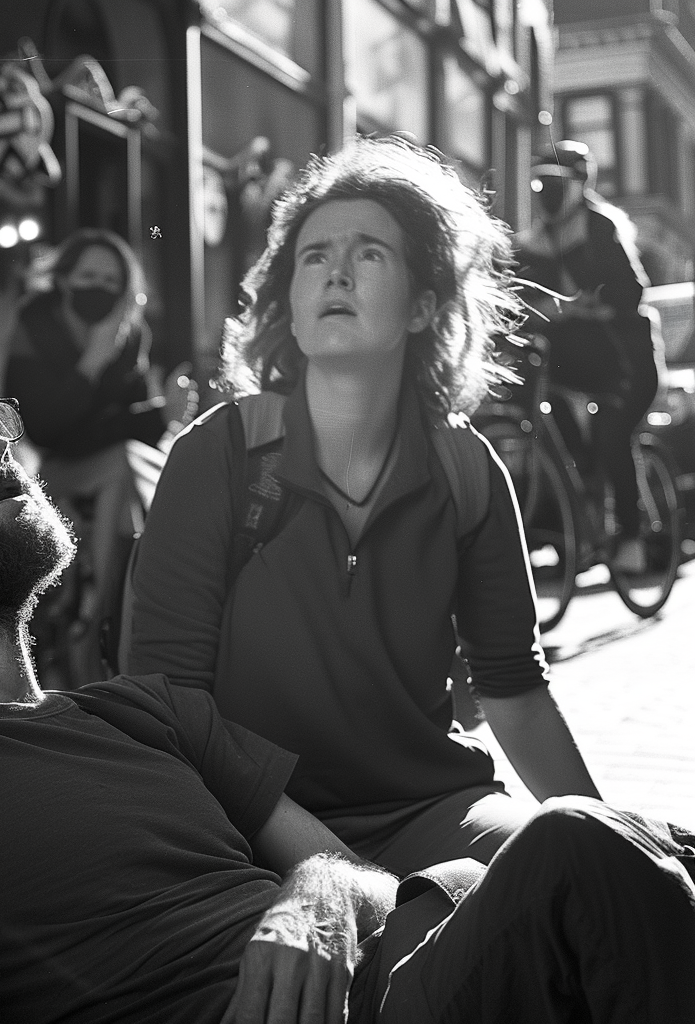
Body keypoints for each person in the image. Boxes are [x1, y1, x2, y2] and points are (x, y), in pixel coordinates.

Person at [0, 306, 695, 1023]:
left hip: (419, 979)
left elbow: (340, 867)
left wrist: (313, 895)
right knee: (583, 851)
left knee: (651, 846)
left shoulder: (143, 712)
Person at [125, 135, 601, 878]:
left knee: (578, 874)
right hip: (241, 828)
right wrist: (332, 867)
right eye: (314, 255)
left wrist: (609, 842)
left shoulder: (466, 469)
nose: (336, 270)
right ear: (290, 296)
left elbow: (515, 691)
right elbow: (167, 703)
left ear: (423, 306)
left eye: (369, 252)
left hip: (432, 811)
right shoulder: (218, 453)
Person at [4, 228, 195, 676]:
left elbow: (128, 424)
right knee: (126, 467)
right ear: (65, 278)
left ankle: (102, 617)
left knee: (131, 470)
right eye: (89, 274)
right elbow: (42, 427)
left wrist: (164, 412)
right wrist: (91, 362)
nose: (100, 288)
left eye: (111, 281)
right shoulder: (35, 322)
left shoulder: (131, 334)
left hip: (115, 471)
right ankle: (112, 618)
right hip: (56, 470)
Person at [515, 140, 660, 573]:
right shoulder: (531, 240)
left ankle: (632, 537)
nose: (546, 192)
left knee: (611, 435)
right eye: (539, 182)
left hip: (626, 364)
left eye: (557, 183)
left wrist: (589, 307)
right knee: (554, 430)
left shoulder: (602, 230)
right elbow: (517, 300)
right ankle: (580, 524)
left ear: (580, 185)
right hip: (570, 367)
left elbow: (631, 292)